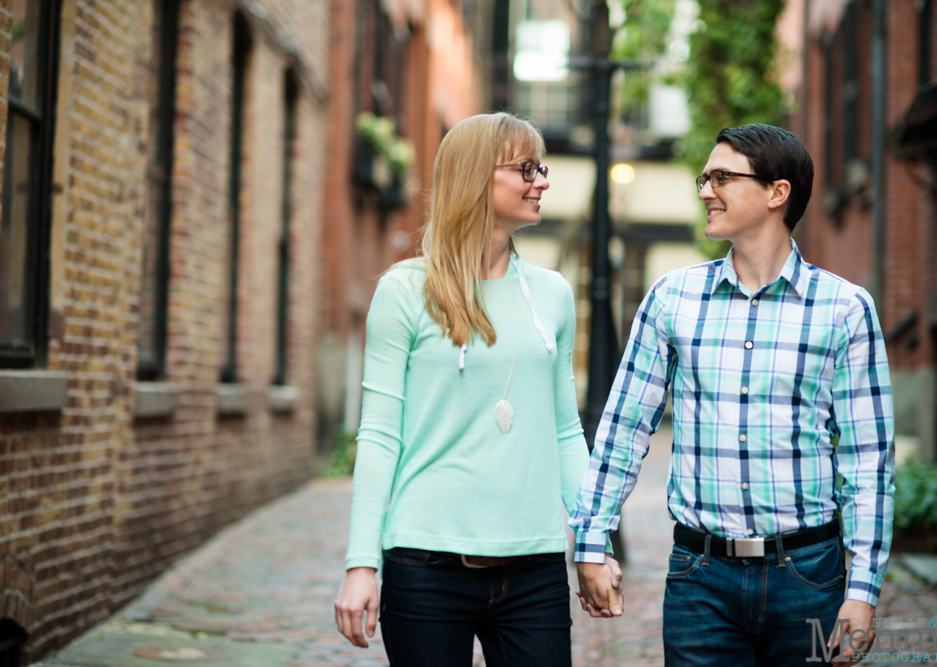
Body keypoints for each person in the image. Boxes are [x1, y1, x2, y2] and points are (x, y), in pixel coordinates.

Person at [570, 124, 895, 665]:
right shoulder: (671, 298)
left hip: (809, 576)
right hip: (700, 578)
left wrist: (861, 593)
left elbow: (866, 462)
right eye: (704, 177)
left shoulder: (845, 309)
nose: (704, 190)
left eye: (721, 177)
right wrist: (591, 540)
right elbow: (624, 426)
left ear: (777, 192)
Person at [333, 112, 620, 667]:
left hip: (533, 569)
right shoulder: (404, 291)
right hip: (424, 566)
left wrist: (593, 544)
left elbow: (565, 431)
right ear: (475, 177)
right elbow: (378, 435)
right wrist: (361, 564)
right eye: (527, 168)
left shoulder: (554, 295)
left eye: (542, 168)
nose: (543, 181)